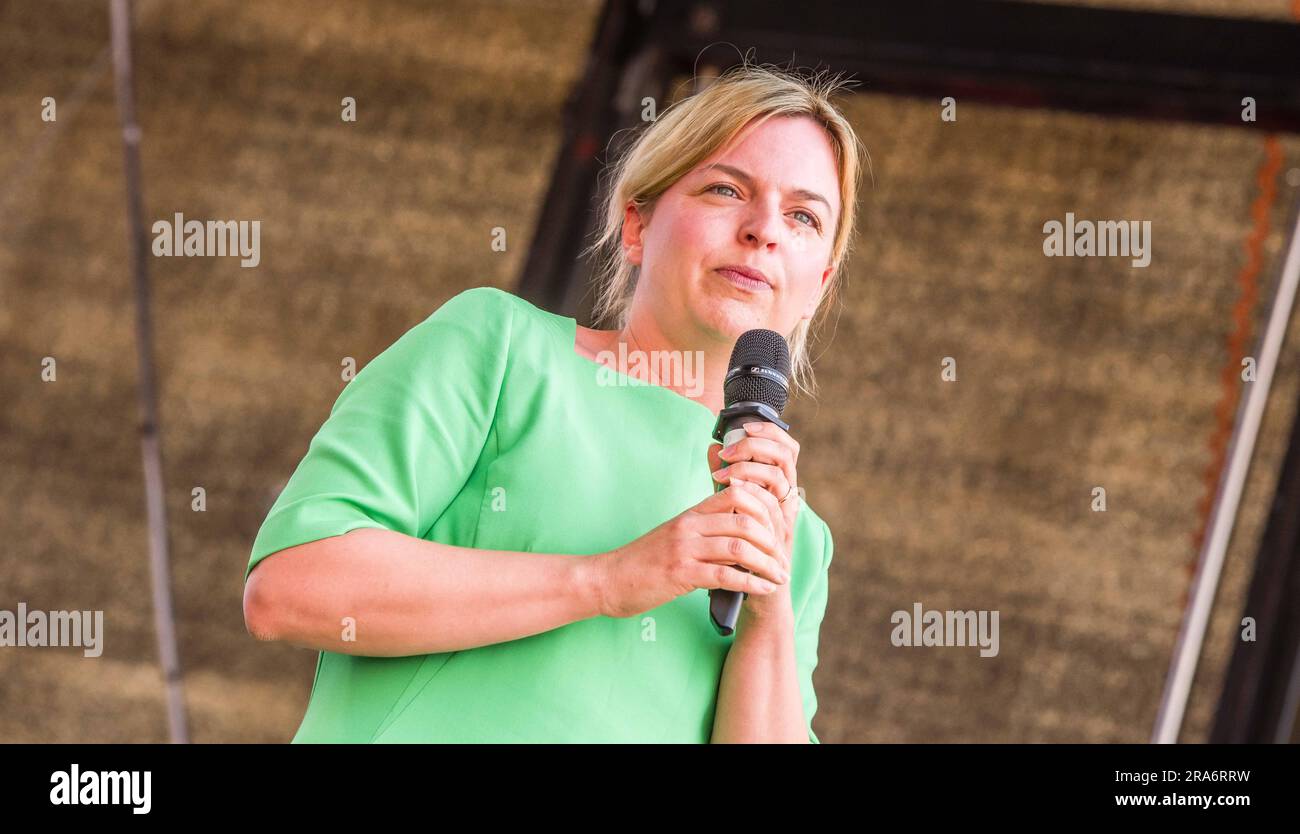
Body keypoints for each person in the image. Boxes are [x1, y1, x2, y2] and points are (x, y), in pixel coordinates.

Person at [241, 61, 865, 743]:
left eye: (803, 216)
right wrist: (606, 580)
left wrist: (768, 617)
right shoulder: (501, 348)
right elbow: (290, 588)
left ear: (820, 283)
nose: (764, 229)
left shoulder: (798, 541)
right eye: (725, 188)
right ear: (636, 223)